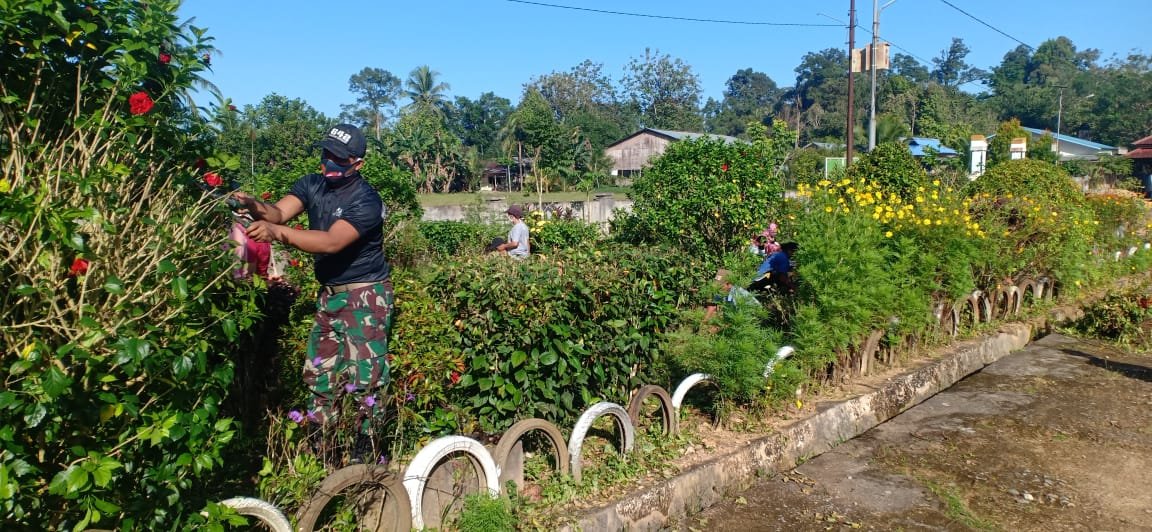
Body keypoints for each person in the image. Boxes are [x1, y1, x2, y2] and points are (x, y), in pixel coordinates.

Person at [235, 124, 393, 428]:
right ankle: (321, 443)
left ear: (357, 163)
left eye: (339, 157)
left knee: (366, 378)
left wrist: (277, 233)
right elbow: (278, 213)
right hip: (330, 295)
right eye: (327, 152)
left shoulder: (366, 200)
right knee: (319, 373)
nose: (329, 160)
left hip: (366, 295)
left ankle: (368, 448)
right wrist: (252, 204)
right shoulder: (312, 185)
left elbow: (331, 242)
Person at [229, 210, 271, 279]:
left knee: (263, 250)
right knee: (246, 253)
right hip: (241, 225)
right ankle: (242, 276)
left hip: (255, 226)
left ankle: (257, 277)